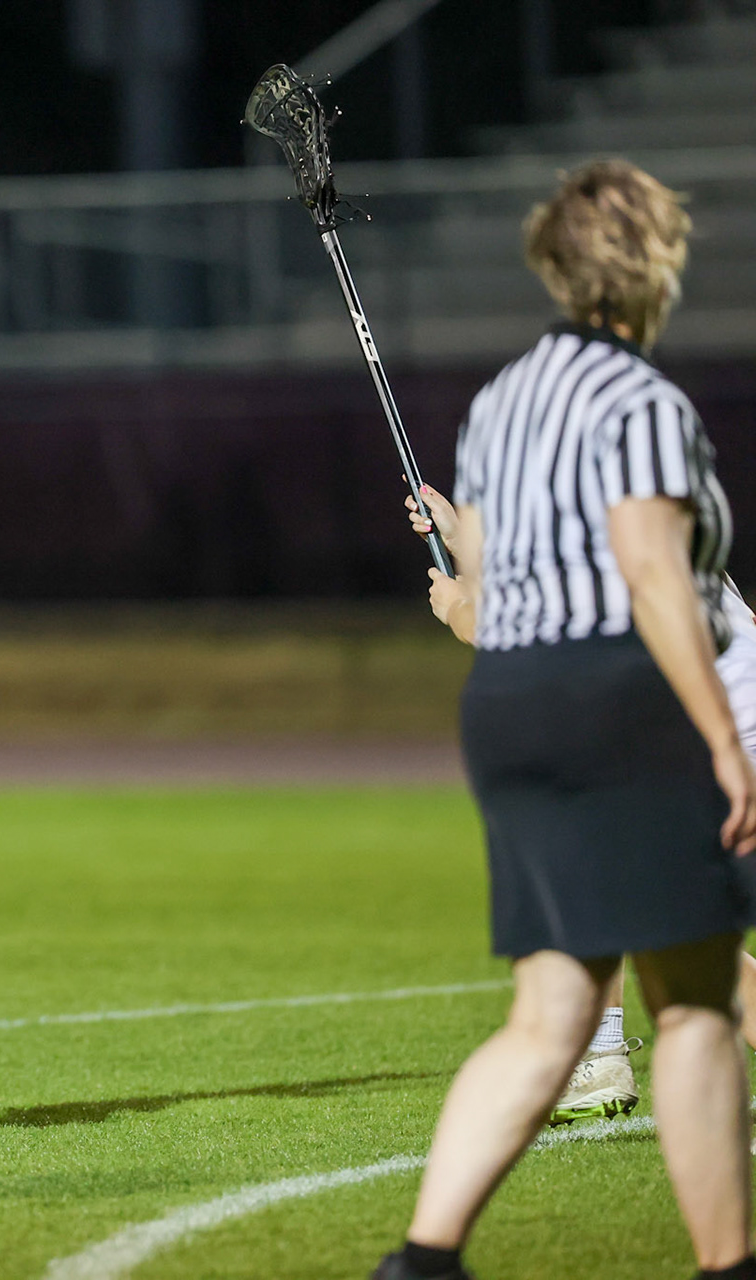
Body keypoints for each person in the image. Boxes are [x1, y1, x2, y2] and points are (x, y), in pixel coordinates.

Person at [372, 161, 756, 1280]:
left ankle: (423, 1258)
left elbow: (513, 597)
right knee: (691, 1003)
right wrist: (723, 744)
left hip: (513, 712)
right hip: (620, 707)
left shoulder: (502, 402)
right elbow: (647, 573)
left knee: (552, 1015)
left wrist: (457, 582)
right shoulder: (640, 401)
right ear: (654, 266)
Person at [411, 484, 756, 1130]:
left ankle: (598, 1056)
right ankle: (599, 1056)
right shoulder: (655, 520)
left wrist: (459, 604)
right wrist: (460, 541)